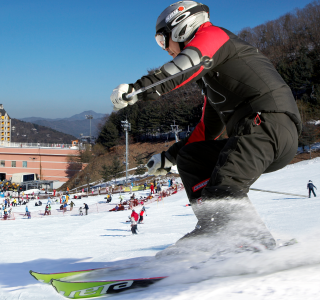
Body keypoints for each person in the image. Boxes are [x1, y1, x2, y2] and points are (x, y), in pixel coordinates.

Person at [111, 1, 301, 252]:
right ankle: (217, 229)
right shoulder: (213, 77)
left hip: (267, 125)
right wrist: (170, 158)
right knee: (192, 157)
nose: (165, 49)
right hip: (258, 135)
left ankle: (251, 245)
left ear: (181, 28)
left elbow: (184, 66)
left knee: (225, 185)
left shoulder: (213, 36)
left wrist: (138, 89)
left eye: (162, 40)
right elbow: (206, 130)